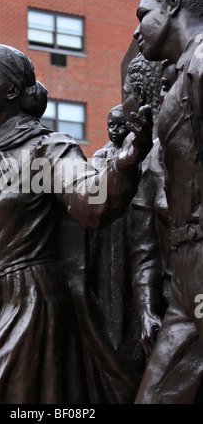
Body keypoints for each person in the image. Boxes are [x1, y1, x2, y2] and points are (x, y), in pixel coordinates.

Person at [0, 44, 153, 404]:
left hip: (28, 303)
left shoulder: (45, 149)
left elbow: (91, 201)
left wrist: (126, 161)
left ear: (12, 89)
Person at [133, 0, 203, 404]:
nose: (137, 27)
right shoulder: (181, 78)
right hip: (186, 271)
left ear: (172, 4)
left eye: (143, 14)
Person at [87, 104, 144, 394]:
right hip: (105, 232)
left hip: (131, 230)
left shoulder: (140, 155)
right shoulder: (98, 156)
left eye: (121, 125)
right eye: (111, 124)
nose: (115, 130)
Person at [123, 52, 167, 358]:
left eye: (126, 95)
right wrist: (147, 309)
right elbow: (144, 249)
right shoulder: (146, 163)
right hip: (178, 303)